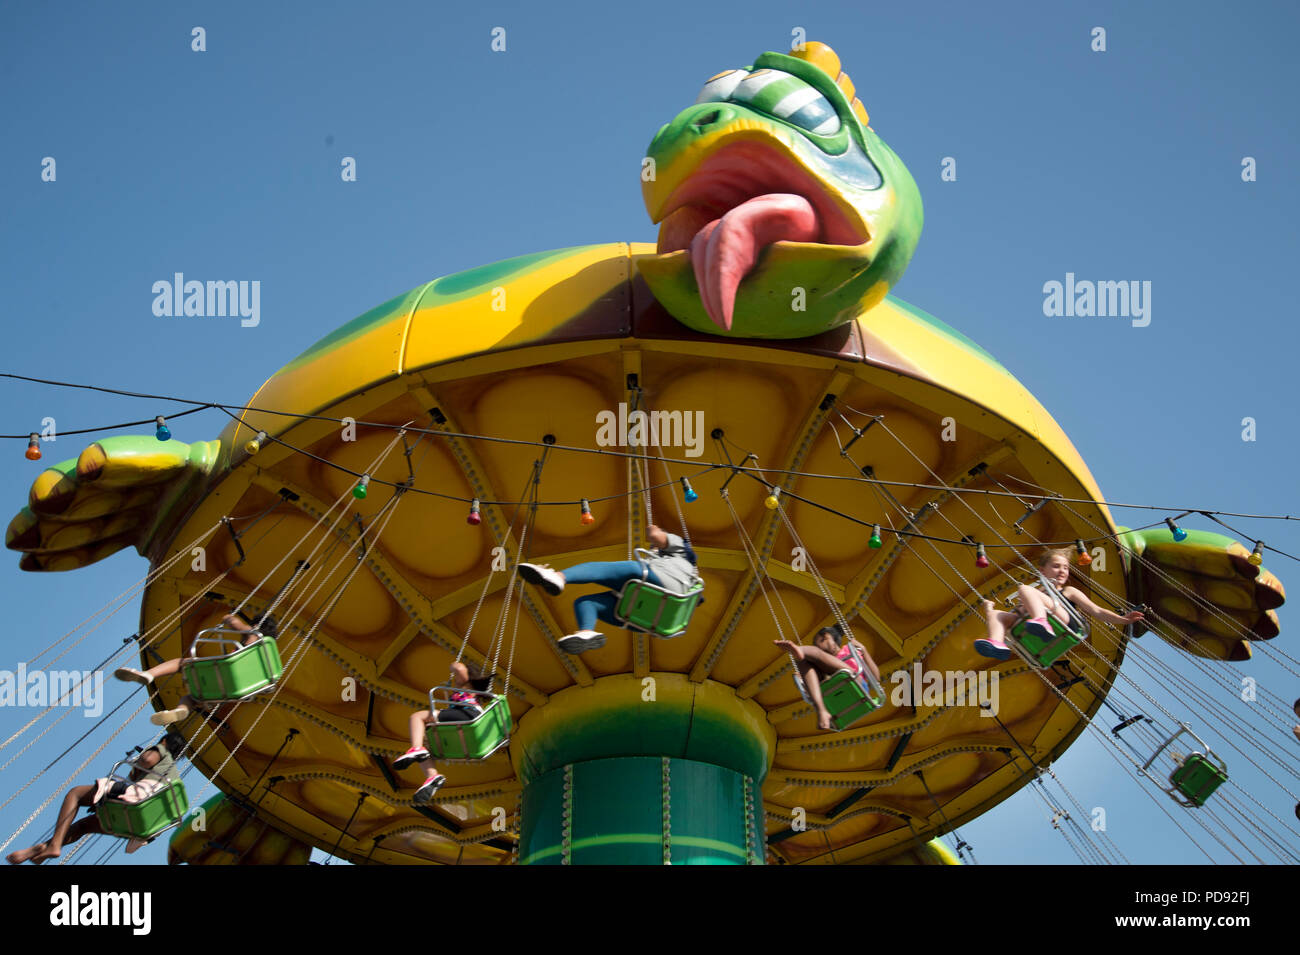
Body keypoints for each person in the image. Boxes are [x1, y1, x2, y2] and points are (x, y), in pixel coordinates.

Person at [517, 523, 700, 654]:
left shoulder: (679, 548)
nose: (653, 548)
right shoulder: (690, 578)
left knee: (600, 569)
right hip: (659, 620)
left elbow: (657, 538)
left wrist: (655, 530)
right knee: (586, 602)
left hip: (660, 582)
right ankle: (587, 632)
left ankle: (558, 577)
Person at [6, 733, 183, 864]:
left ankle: (53, 846)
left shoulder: (161, 751)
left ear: (165, 741)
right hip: (141, 826)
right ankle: (38, 849)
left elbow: (147, 760)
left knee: (75, 794)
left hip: (137, 799)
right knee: (83, 826)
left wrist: (144, 756)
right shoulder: (173, 777)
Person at [975, 548, 1144, 661]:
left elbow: (1096, 611)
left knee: (1024, 589)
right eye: (1056, 567)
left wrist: (1122, 620)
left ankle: (1041, 621)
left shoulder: (1069, 591)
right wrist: (989, 609)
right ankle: (997, 643)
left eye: (1065, 568)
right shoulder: (1037, 594)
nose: (1062, 571)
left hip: (1064, 620)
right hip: (1038, 618)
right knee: (997, 614)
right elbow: (1019, 614)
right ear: (1042, 570)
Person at [114, 610, 277, 725]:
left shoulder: (255, 635)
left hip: (226, 672)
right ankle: (181, 711)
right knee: (194, 697)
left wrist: (228, 618)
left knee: (182, 663)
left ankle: (149, 674)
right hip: (234, 691)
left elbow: (235, 623)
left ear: (257, 625)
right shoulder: (268, 660)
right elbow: (268, 686)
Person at [393, 661, 494, 805]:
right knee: (428, 748)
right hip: (466, 720)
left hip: (466, 714)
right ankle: (432, 776)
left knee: (417, 716)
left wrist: (454, 665)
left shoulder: (463, 685)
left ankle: (416, 748)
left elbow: (458, 667)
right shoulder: (473, 692)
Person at [774, 625, 882, 732]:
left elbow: (876, 678)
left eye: (822, 640)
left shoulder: (849, 649)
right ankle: (821, 710)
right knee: (802, 661)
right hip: (834, 693)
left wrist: (864, 650)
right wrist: (802, 680)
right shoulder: (822, 666)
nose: (821, 645)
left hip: (856, 683)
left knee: (814, 654)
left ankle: (800, 651)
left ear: (831, 637)